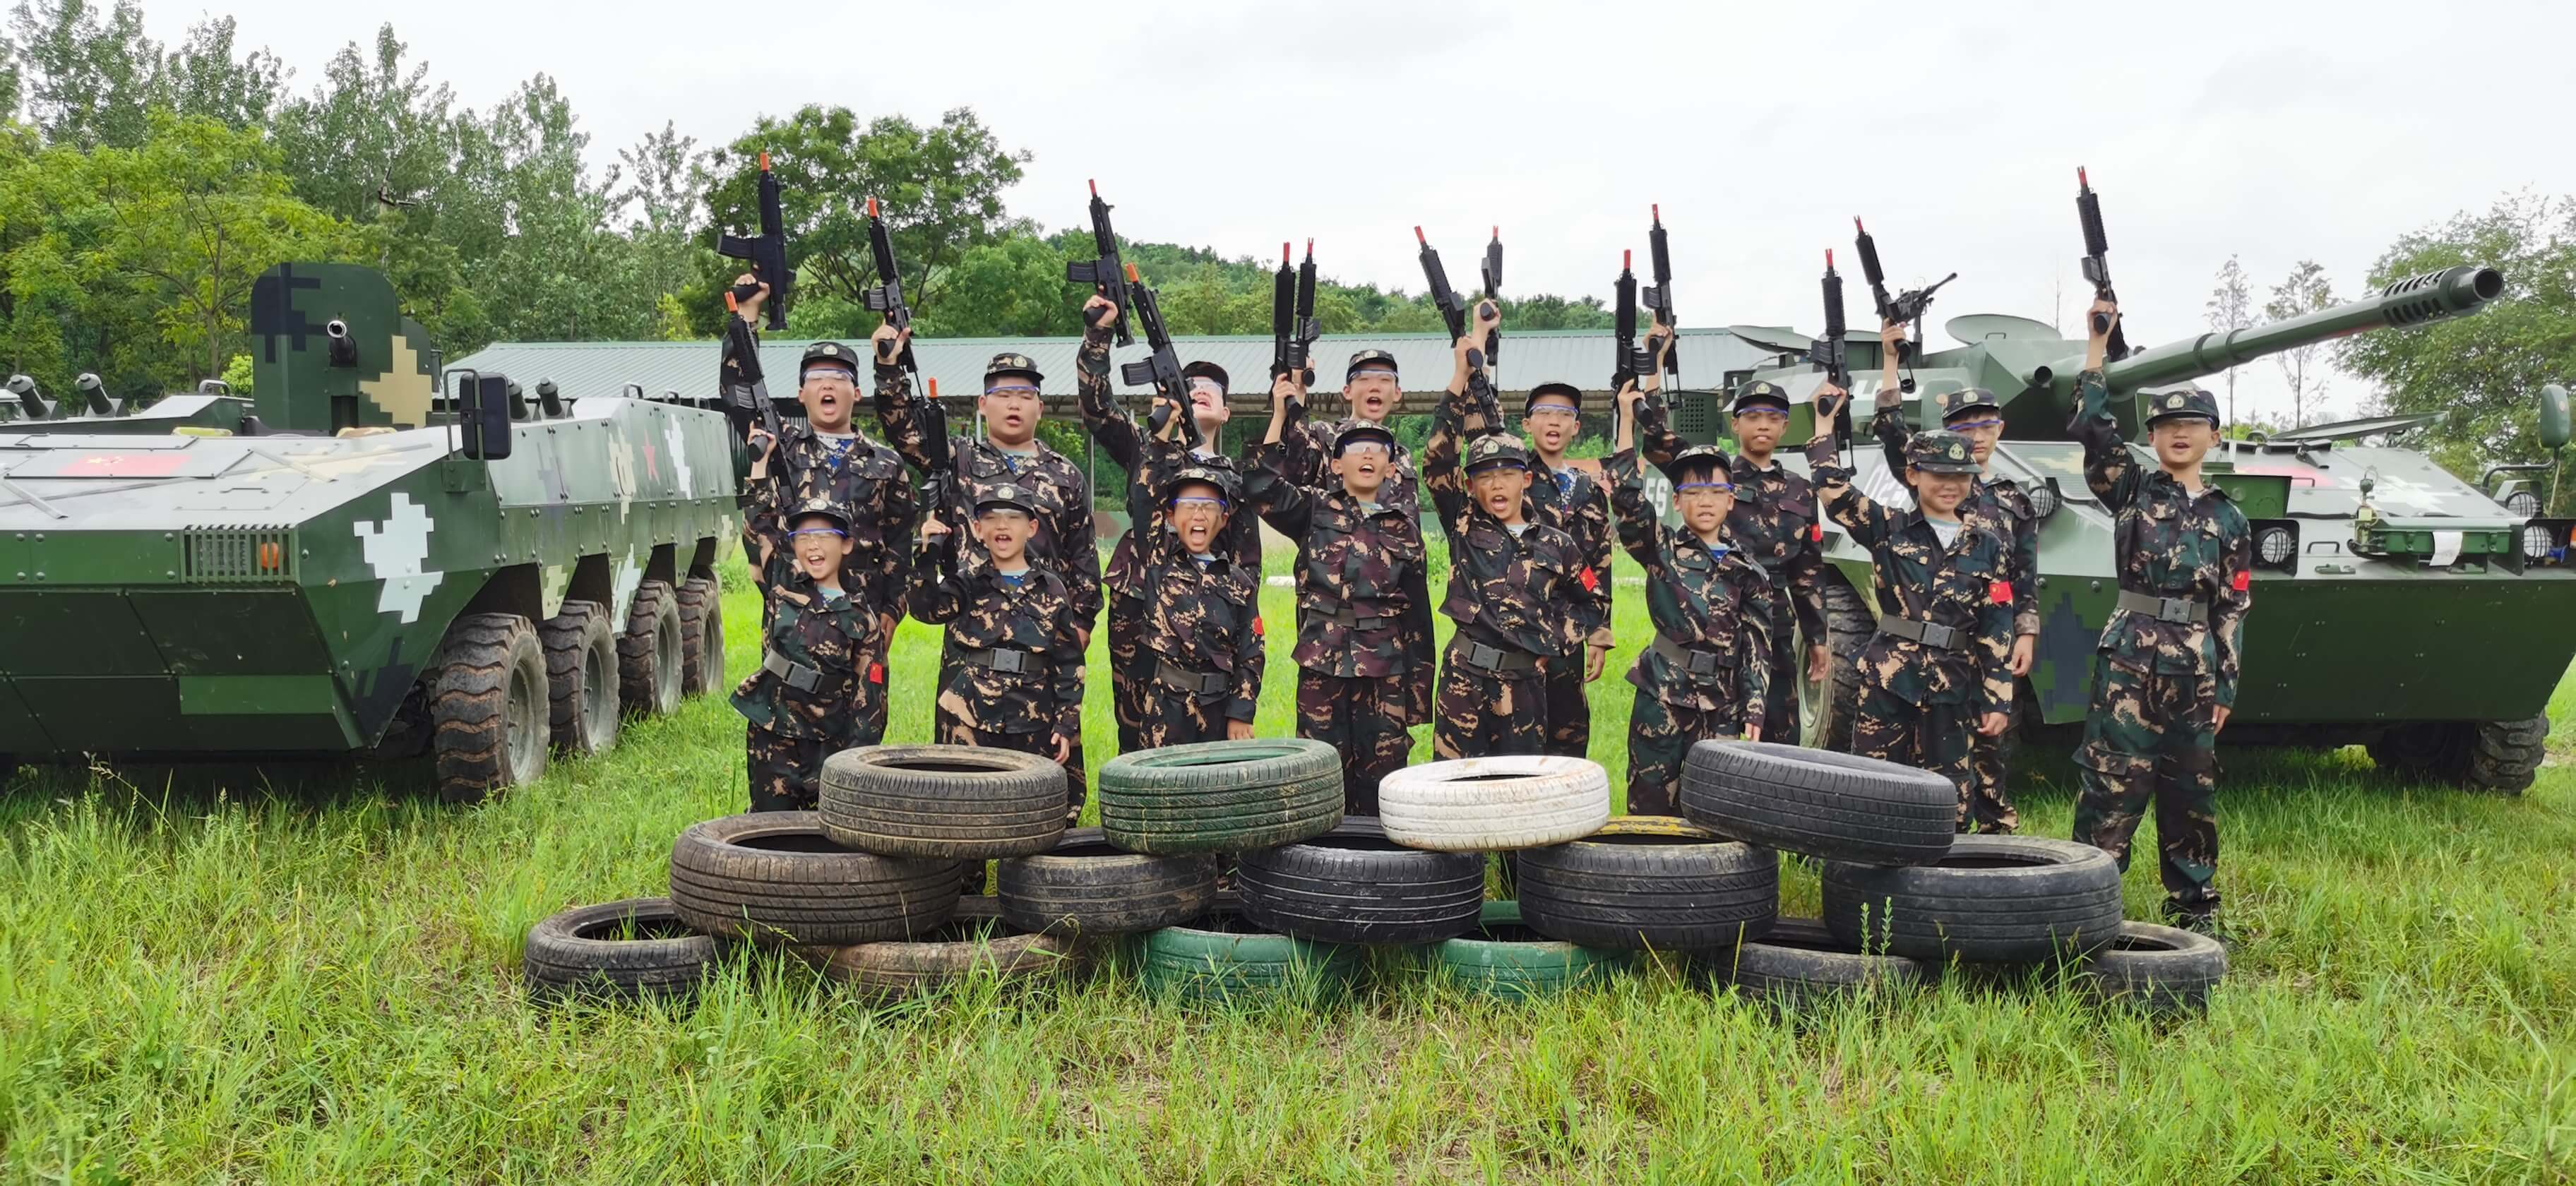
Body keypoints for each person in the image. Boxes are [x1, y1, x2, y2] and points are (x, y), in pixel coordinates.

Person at [2071, 298, 2253, 936]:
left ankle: (2195, 909)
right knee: (2112, 782)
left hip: (2196, 667)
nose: (2180, 433)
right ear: (2151, 438)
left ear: (2214, 434)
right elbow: (2094, 426)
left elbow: (2233, 605)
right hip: (2130, 658)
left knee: (2191, 788)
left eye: (2194, 424)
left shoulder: (2232, 518)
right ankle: (2084, 901)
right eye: (2167, 426)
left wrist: (2225, 684)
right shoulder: (2132, 488)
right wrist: (2098, 344)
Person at [873, 323, 1099, 818]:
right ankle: (967, 869)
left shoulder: (1065, 474)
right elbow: (903, 427)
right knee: (962, 778)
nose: (1014, 403)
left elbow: (1084, 557)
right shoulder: (957, 460)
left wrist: (1079, 625)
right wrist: (890, 368)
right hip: (972, 644)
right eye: (1002, 394)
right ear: (983, 405)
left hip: (1043, 640)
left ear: (1041, 406)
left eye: (1025, 394)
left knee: (1047, 774)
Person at [1808, 335, 2015, 820]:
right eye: (1936, 474)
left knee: (1949, 797)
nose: (1949, 485)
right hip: (1888, 679)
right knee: (1874, 786)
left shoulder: (1988, 544)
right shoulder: (1888, 528)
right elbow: (1832, 488)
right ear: (1914, 475)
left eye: (1959, 477)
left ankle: (1941, 882)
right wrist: (1822, 422)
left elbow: (1997, 628)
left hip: (1954, 683)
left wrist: (1998, 697)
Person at [1073, 292, 1260, 752]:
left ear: (1225, 413)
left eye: (1211, 390)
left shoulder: (1234, 479)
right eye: (1191, 384)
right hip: (1137, 600)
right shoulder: (1145, 445)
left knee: (1205, 723)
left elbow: (1245, 564)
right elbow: (1097, 410)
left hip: (1206, 612)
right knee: (1135, 721)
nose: (1199, 389)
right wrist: (1098, 336)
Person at [1868, 337, 2041, 832]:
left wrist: (2026, 630)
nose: (1978, 435)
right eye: (1966, 426)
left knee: (1991, 735)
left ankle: (1993, 829)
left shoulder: (2014, 500)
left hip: (1988, 636)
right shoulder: (1933, 483)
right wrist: (1890, 362)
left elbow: (2023, 574)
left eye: (1986, 425)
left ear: (2000, 429)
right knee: (1937, 744)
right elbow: (1890, 430)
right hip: (1930, 639)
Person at [1246, 371, 1436, 814]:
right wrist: (1279, 416)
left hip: (1384, 668)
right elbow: (1259, 486)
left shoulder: (1404, 530)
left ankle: (1378, 868)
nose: (1366, 455)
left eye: (1377, 450)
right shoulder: (1312, 509)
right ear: (1335, 464)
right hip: (1323, 664)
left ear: (1391, 468)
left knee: (1382, 775)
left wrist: (1418, 694)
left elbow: (1419, 618)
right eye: (1354, 448)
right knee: (1320, 772)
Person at [1633, 324, 1826, 747]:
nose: (1763, 426)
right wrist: (1655, 363)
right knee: (1720, 738)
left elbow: (1808, 571)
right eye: (1753, 417)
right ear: (1735, 424)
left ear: (1785, 426)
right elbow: (1653, 436)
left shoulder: (1799, 488)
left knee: (1777, 736)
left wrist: (1817, 638)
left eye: (1773, 418)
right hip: (1712, 627)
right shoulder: (1711, 474)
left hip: (1770, 630)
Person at [1421, 305, 1587, 760]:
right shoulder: (1463, 519)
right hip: (1464, 679)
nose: (1497, 484)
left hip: (1526, 685)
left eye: (1508, 474)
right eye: (1485, 476)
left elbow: (1591, 601)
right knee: (1453, 790)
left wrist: (1551, 640)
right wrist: (1459, 379)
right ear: (1471, 485)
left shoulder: (1556, 542)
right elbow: (1436, 461)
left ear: (1526, 479)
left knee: (1518, 790)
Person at [1609, 382, 1771, 815]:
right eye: (1693, 493)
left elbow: (1757, 645)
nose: (1705, 501)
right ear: (1677, 502)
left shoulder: (1749, 571)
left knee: (1712, 809)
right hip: (1662, 692)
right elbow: (1627, 500)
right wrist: (1626, 420)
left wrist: (1754, 707)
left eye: (1716, 491)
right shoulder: (1661, 549)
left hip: (1721, 701)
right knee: (1650, 807)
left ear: (1731, 499)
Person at [742, 340, 914, 742]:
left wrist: (892, 610)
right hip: (794, 619)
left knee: (859, 743)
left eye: (839, 378)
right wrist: (747, 319)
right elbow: (760, 525)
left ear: (855, 392)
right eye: (816, 378)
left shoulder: (886, 464)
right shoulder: (780, 450)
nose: (827, 387)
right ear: (801, 393)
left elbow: (901, 542)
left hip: (862, 623)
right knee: (784, 742)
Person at [907, 483, 1085, 812]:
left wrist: (1065, 723)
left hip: (1033, 715)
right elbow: (925, 609)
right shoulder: (965, 583)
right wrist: (928, 553)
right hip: (971, 715)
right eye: (990, 517)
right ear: (977, 528)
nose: (1002, 525)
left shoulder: (1052, 588)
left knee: (1031, 809)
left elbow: (1069, 662)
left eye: (1013, 517)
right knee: (964, 809)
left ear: (1031, 528)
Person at [732, 500, 878, 812]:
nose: (814, 545)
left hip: (829, 741)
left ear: (847, 543)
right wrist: (759, 463)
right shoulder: (781, 584)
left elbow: (872, 700)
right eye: (804, 536)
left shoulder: (861, 618)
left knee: (825, 832)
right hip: (773, 731)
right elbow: (757, 527)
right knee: (768, 827)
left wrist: (856, 760)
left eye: (825, 536)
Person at [1120, 465, 1263, 747]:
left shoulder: (1239, 581)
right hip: (1166, 707)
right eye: (1188, 506)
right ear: (1171, 516)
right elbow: (1144, 496)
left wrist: (1242, 712)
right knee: (1163, 788)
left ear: (1223, 519)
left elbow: (1252, 651)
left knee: (1217, 786)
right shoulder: (1158, 563)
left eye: (1209, 507)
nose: (1199, 515)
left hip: (1219, 709)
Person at [1517, 378, 1616, 758]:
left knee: (1569, 733)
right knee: (1522, 734)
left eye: (1564, 414)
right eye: (1543, 413)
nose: (1553, 421)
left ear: (1576, 426)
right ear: (1527, 424)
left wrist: (1599, 632)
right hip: (1523, 627)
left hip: (1571, 629)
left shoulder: (1587, 489)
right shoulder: (1514, 477)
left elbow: (1599, 563)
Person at [1275, 349, 1421, 520]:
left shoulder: (1402, 457)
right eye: (1364, 379)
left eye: (1385, 379)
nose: (1375, 387)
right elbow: (1287, 473)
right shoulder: (1323, 437)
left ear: (1397, 393)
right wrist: (1297, 393)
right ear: (1347, 391)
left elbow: (1410, 526)